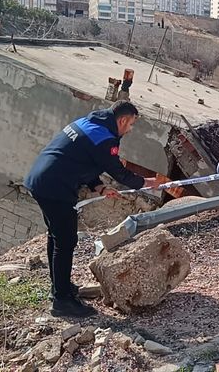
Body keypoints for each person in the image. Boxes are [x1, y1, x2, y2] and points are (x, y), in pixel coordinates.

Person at [24, 100, 160, 318]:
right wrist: (146, 183)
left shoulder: (89, 124)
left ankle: (60, 288)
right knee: (65, 241)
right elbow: (119, 172)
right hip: (55, 188)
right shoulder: (104, 138)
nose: (130, 130)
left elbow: (83, 160)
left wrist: (99, 186)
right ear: (122, 120)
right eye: (131, 124)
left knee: (57, 236)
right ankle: (62, 301)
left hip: (41, 180)